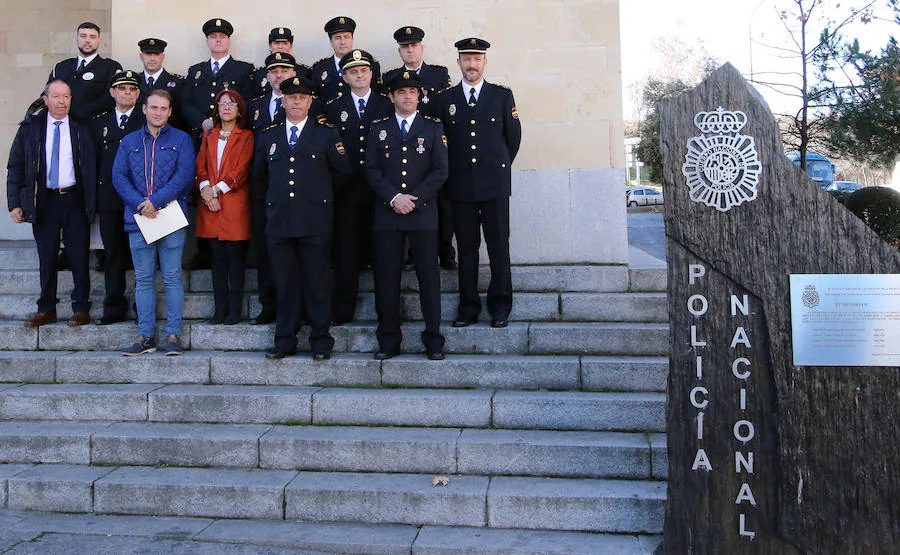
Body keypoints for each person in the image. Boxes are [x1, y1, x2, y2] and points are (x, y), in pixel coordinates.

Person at [251, 76, 352, 360]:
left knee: (317, 281)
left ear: (310, 102)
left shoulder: (325, 134)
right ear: (282, 101)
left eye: (302, 98)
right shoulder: (268, 135)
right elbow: (258, 177)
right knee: (284, 282)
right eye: (291, 97)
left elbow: (343, 172)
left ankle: (321, 340)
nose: (296, 102)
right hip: (280, 220)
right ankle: (285, 339)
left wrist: (318, 196)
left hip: (314, 219)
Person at [434, 38, 522, 329]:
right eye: (466, 59)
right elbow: (441, 144)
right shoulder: (445, 100)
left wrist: (495, 168)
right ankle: (468, 307)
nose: (472, 64)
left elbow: (512, 140)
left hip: (494, 186)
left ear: (484, 62)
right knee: (468, 249)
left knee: (499, 247)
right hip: (460, 187)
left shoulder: (501, 96)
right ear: (458, 62)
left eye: (477, 59)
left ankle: (500, 306)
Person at [366, 71, 448, 360]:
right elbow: (372, 170)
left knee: (429, 279)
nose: (407, 96)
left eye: (412, 92)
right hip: (388, 214)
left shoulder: (433, 128)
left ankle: (434, 341)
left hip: (422, 213)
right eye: (401, 92)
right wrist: (393, 198)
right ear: (391, 96)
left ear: (420, 95)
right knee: (386, 280)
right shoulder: (379, 128)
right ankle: (388, 341)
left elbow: (440, 171)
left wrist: (414, 199)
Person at [7, 80, 96, 328]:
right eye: (56, 96)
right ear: (45, 99)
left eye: (66, 96)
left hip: (74, 198)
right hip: (43, 199)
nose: (61, 101)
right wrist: (15, 203)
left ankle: (81, 308)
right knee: (46, 256)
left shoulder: (81, 127)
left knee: (78, 256)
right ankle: (46, 308)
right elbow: (15, 166)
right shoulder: (30, 128)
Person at [112, 90, 195, 356]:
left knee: (172, 278)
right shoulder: (129, 141)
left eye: (164, 108)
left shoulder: (182, 140)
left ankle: (173, 335)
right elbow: (119, 176)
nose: (158, 112)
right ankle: (145, 336)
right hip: (139, 221)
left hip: (169, 219)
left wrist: (155, 201)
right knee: (144, 280)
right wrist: (140, 203)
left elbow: (184, 176)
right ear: (144, 109)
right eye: (153, 107)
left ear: (170, 112)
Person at [324, 49, 392, 325]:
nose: (359, 75)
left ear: (372, 74)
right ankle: (343, 310)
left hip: (381, 193)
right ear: (344, 77)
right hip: (347, 192)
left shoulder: (387, 105)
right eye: (353, 72)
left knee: (383, 254)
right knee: (347, 254)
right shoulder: (333, 107)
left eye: (363, 70)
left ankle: (386, 311)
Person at [182, 18, 253, 271]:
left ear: (229, 40)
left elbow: (247, 103)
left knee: (230, 194)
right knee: (200, 191)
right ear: (207, 41)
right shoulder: (196, 71)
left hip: (234, 141)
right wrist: (202, 121)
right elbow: (185, 102)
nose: (218, 40)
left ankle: (237, 251)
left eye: (222, 36)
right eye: (213, 37)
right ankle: (204, 251)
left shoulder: (243, 70)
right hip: (203, 139)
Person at [383, 26, 457, 269]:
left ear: (421, 48)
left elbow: (446, 110)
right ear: (400, 51)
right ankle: (413, 255)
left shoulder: (438, 74)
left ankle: (445, 252)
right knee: (409, 197)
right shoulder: (390, 77)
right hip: (404, 148)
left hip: (433, 146)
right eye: (405, 47)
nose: (410, 50)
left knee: (442, 204)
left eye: (414, 45)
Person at [90, 71, 146, 325]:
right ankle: (114, 305)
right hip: (110, 199)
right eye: (122, 88)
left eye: (132, 89)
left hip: (139, 199)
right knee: (113, 254)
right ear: (112, 92)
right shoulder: (99, 123)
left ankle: (141, 307)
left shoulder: (146, 120)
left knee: (141, 255)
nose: (127, 93)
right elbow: (92, 164)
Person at [195, 90, 253, 325]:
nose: (227, 107)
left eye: (232, 104)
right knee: (217, 261)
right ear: (216, 109)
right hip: (210, 206)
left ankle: (234, 310)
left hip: (234, 206)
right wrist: (207, 193)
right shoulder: (209, 135)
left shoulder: (246, 136)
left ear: (239, 110)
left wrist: (217, 191)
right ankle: (220, 309)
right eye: (222, 104)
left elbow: (241, 170)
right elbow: (201, 167)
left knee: (235, 261)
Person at [48, 22, 122, 122]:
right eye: (83, 36)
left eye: (92, 37)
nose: (87, 40)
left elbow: (111, 99)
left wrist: (80, 112)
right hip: (64, 125)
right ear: (77, 38)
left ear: (99, 41)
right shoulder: (62, 67)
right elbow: (48, 93)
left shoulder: (110, 68)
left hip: (94, 126)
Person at [311, 16, 382, 103]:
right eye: (338, 38)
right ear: (331, 41)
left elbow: (377, 95)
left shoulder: (370, 64)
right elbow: (315, 100)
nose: (342, 42)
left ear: (352, 39)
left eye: (346, 37)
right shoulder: (319, 68)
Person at [136, 38, 186, 131]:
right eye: (148, 54)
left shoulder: (178, 83)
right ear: (141, 56)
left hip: (168, 137)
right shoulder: (134, 82)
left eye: (156, 54)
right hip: (138, 138)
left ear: (163, 57)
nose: (152, 58)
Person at [248, 27, 312, 99]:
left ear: (290, 46)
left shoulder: (304, 72)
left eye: (285, 43)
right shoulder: (258, 74)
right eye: (276, 43)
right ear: (270, 45)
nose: (280, 47)